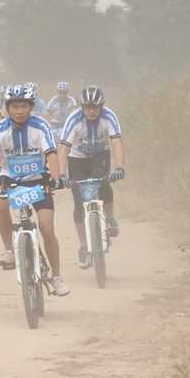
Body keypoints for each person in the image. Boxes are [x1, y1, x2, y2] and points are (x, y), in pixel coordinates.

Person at [0, 83, 67, 297]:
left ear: (31, 107)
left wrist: (57, 178)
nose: (19, 111)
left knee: (47, 228)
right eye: (15, 106)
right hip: (10, 179)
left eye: (24, 106)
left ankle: (57, 276)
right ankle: (9, 249)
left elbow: (51, 154)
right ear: (7, 108)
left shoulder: (41, 126)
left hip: (39, 180)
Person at [57, 86, 126, 265]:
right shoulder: (74, 119)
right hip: (77, 160)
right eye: (88, 107)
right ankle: (83, 246)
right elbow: (63, 148)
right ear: (82, 106)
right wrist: (62, 174)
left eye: (95, 107)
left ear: (101, 106)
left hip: (100, 157)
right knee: (79, 204)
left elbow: (116, 142)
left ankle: (109, 219)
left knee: (104, 184)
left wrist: (119, 167)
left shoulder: (109, 116)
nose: (91, 111)